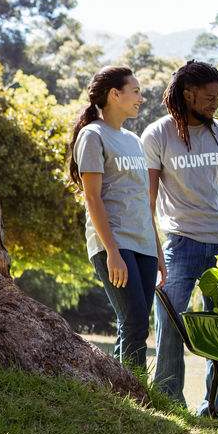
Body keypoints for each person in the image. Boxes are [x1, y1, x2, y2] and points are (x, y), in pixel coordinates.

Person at [143, 60, 218, 413]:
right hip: (179, 242)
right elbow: (149, 200)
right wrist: (153, 249)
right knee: (170, 320)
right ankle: (168, 400)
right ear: (188, 94)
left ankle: (215, 406)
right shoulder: (157, 135)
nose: (216, 101)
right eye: (209, 96)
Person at [68, 66, 165, 372]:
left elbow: (143, 200)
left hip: (144, 244)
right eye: (135, 91)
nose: (141, 97)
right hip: (115, 242)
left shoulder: (134, 140)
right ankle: (136, 397)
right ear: (114, 94)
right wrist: (111, 251)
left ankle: (123, 391)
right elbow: (92, 198)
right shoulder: (92, 135)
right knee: (134, 319)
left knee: (136, 321)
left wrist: (158, 251)